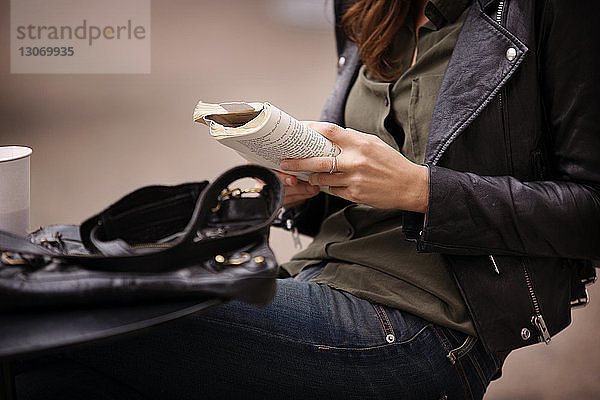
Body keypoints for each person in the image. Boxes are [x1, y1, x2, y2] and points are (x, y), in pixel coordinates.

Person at [15, 0, 600, 399]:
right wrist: (302, 183)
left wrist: (421, 190)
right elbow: (361, 161)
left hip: (425, 326)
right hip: (312, 277)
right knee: (52, 366)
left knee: (74, 305)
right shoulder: (367, 6)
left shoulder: (551, 13)